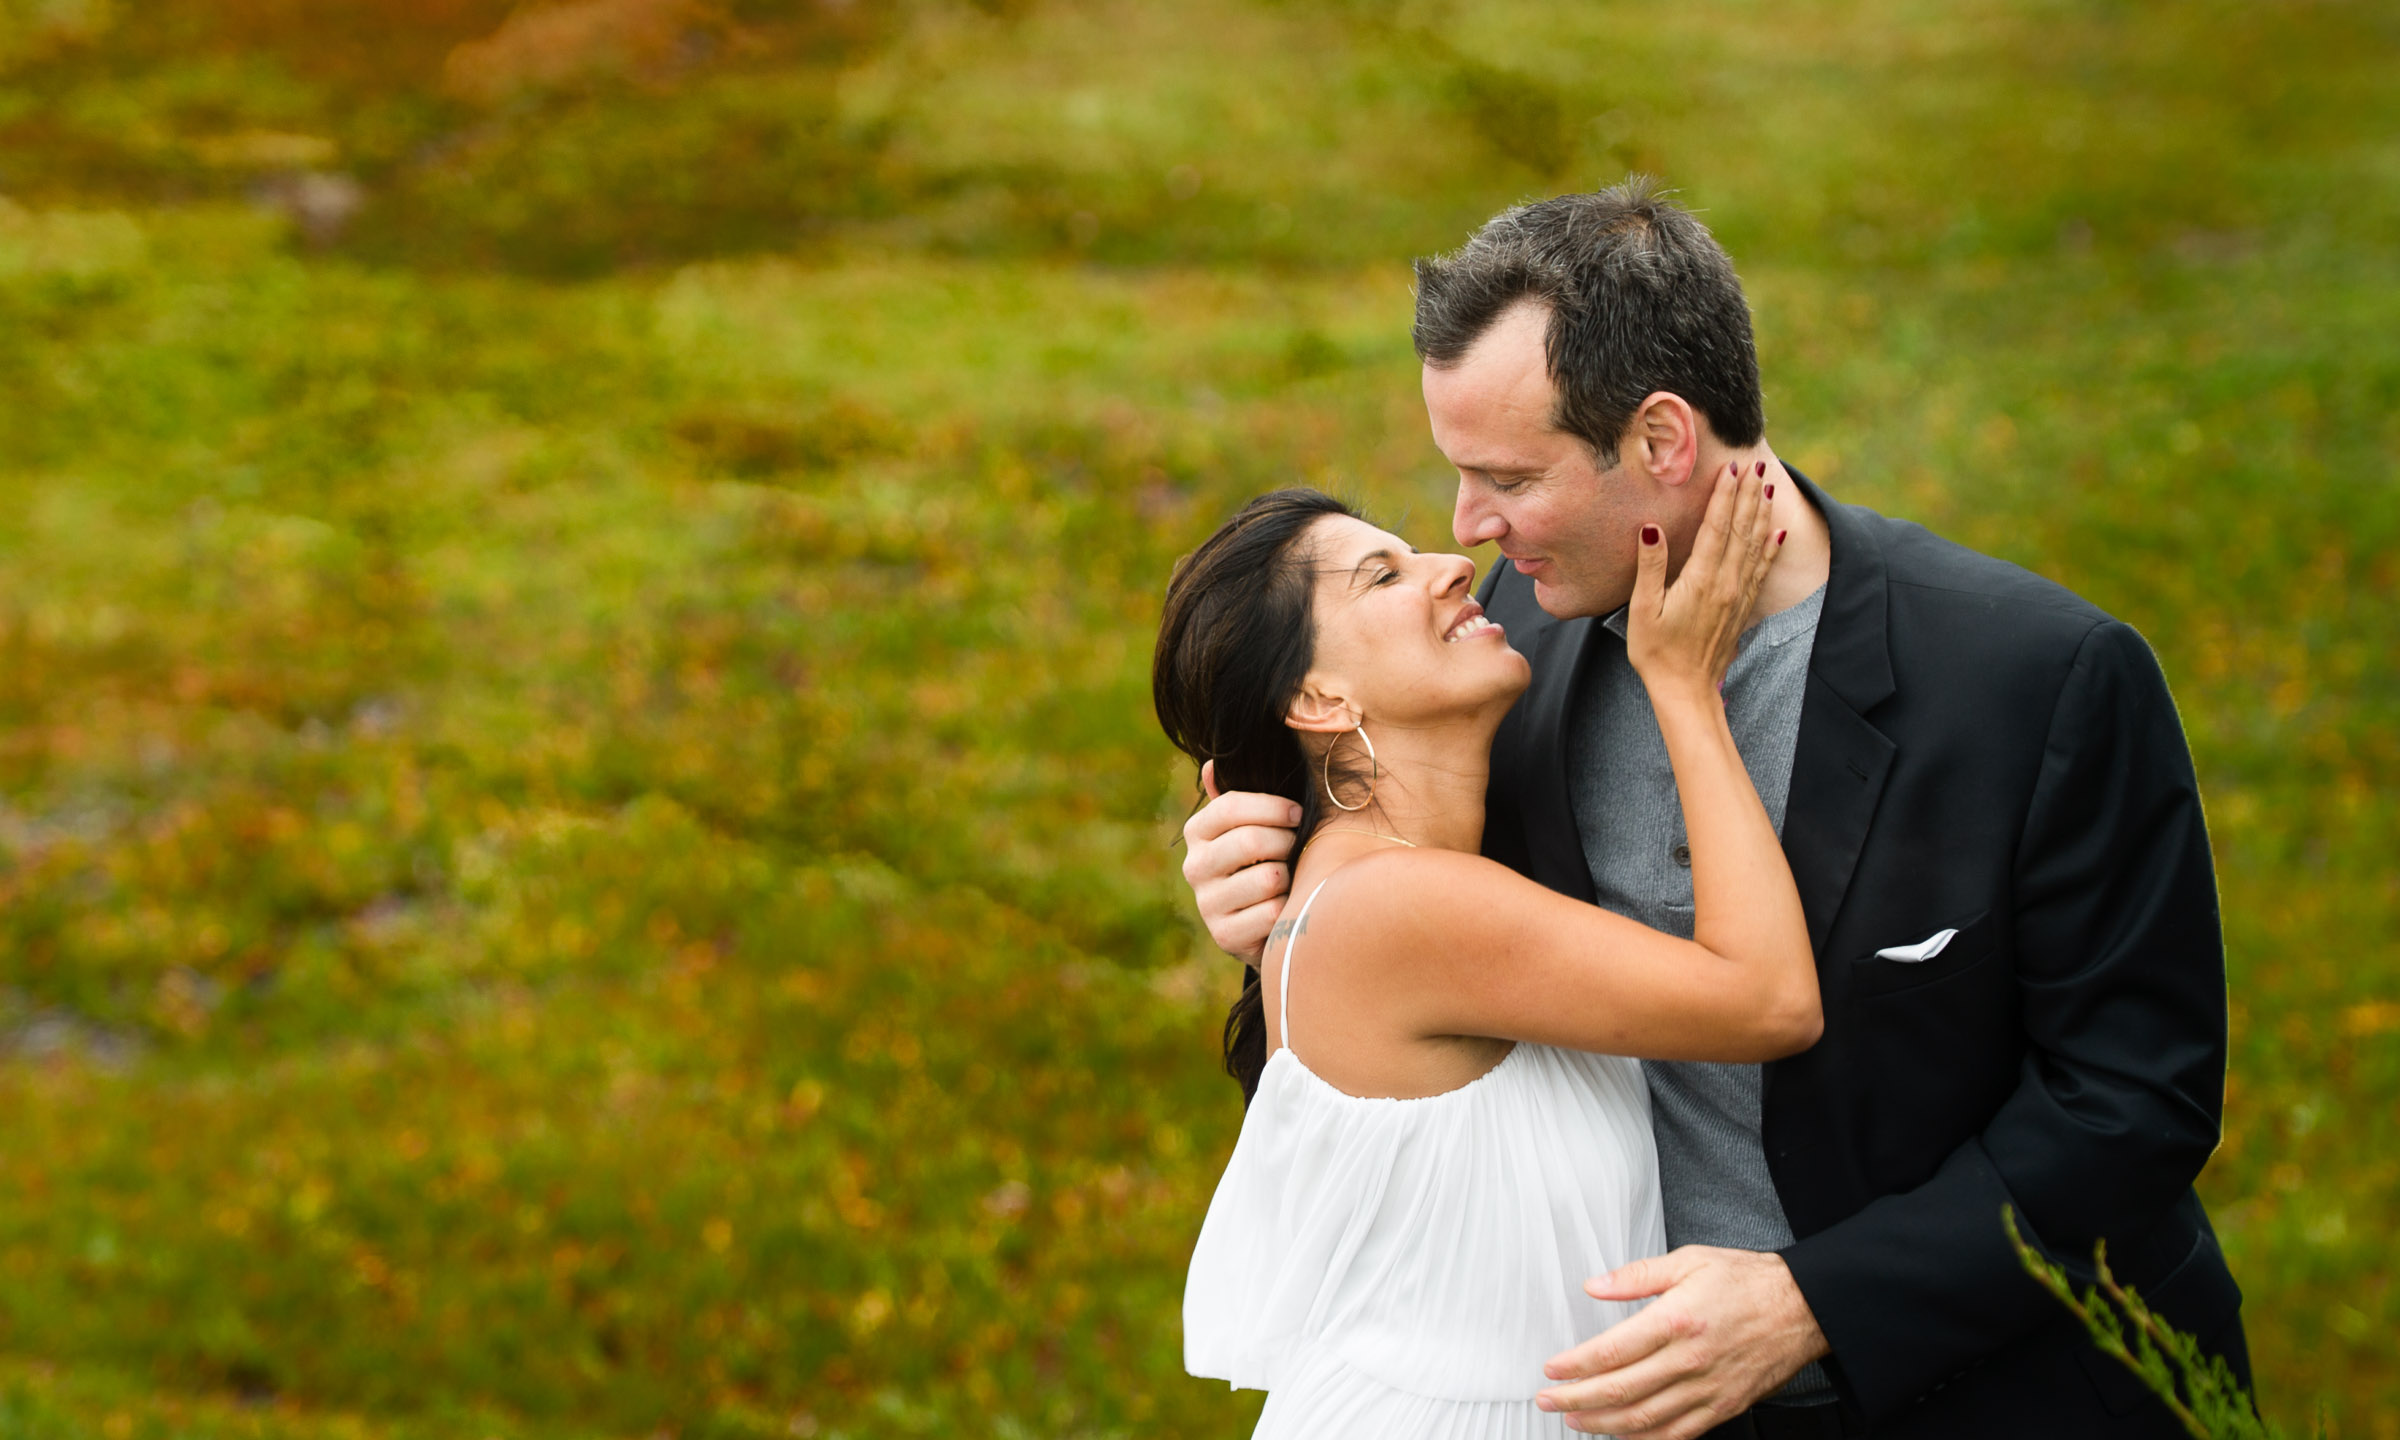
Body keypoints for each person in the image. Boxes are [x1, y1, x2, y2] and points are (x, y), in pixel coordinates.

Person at [1178, 178, 2246, 1440]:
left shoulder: (2036, 679)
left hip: (2000, 1399)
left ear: (1664, 442)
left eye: (1507, 476)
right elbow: (1405, 1024)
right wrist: (1273, 892)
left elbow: (2132, 1105)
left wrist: (1819, 1302)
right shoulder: (1498, 656)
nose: (1465, 533)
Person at [1160, 466, 1817, 1437]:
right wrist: (1682, 686)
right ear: (1318, 695)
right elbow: (1768, 1003)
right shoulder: (1398, 905)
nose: (1450, 566)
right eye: (1381, 577)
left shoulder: (1387, 891)